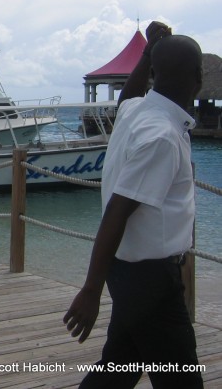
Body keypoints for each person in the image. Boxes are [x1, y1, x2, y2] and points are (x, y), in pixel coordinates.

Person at [63, 21, 204, 388]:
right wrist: (90, 291)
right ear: (198, 78)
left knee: (119, 368)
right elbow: (118, 211)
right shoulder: (162, 136)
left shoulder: (136, 113)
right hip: (150, 279)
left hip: (129, 272)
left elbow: (127, 97)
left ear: (154, 74)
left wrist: (145, 55)